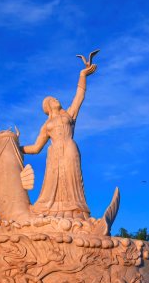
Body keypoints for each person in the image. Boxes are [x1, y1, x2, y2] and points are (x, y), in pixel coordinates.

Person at [22, 61, 98, 219]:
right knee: (53, 183)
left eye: (55, 98)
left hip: (69, 148)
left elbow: (79, 97)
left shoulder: (69, 114)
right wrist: (17, 147)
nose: (56, 99)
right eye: (52, 100)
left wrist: (83, 75)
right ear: (48, 107)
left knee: (71, 179)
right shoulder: (46, 125)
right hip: (53, 154)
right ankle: (53, 213)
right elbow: (36, 148)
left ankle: (75, 212)